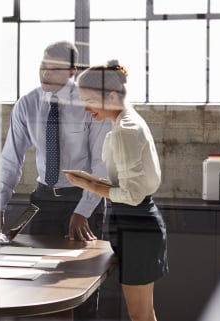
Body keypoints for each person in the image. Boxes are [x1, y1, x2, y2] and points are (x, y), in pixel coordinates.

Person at [0, 40, 111, 241]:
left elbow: (101, 163)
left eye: (54, 69)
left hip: (82, 198)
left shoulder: (90, 104)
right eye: (43, 66)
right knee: (38, 264)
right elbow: (11, 159)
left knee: (81, 268)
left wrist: (84, 210)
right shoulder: (27, 104)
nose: (46, 73)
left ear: (72, 71)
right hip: (43, 199)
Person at [65, 60, 168, 321]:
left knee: (140, 315)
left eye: (89, 100)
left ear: (111, 96)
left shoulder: (125, 130)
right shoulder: (124, 123)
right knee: (144, 314)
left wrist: (89, 185)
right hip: (136, 221)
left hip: (137, 224)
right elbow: (127, 185)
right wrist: (91, 180)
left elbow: (132, 195)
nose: (85, 108)